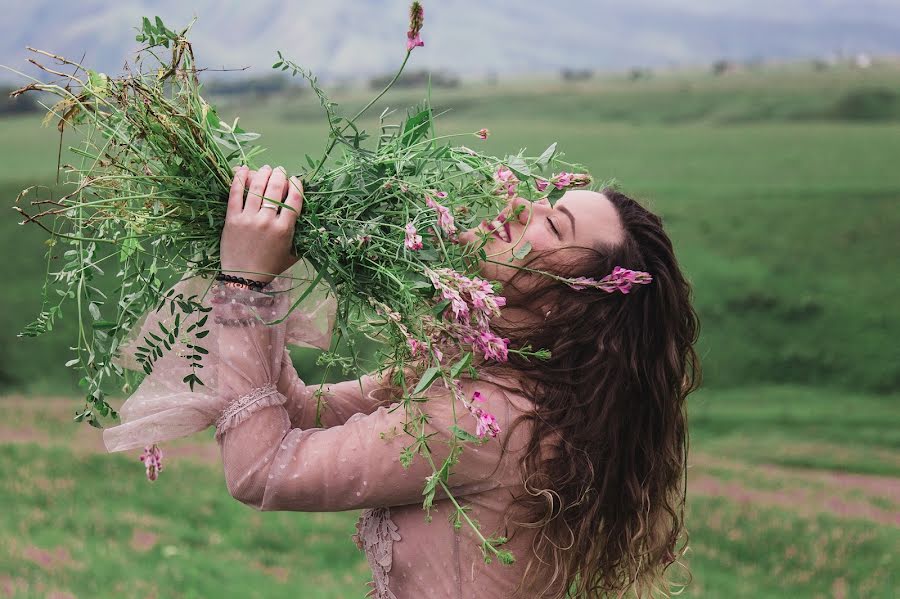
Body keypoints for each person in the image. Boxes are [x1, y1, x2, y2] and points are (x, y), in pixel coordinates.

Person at [104, 164, 700, 598]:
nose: (520, 205)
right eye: (545, 199)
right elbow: (305, 412)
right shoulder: (476, 371)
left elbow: (263, 470)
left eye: (553, 223)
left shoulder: (488, 417)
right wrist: (258, 278)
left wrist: (245, 286)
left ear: (575, 304)